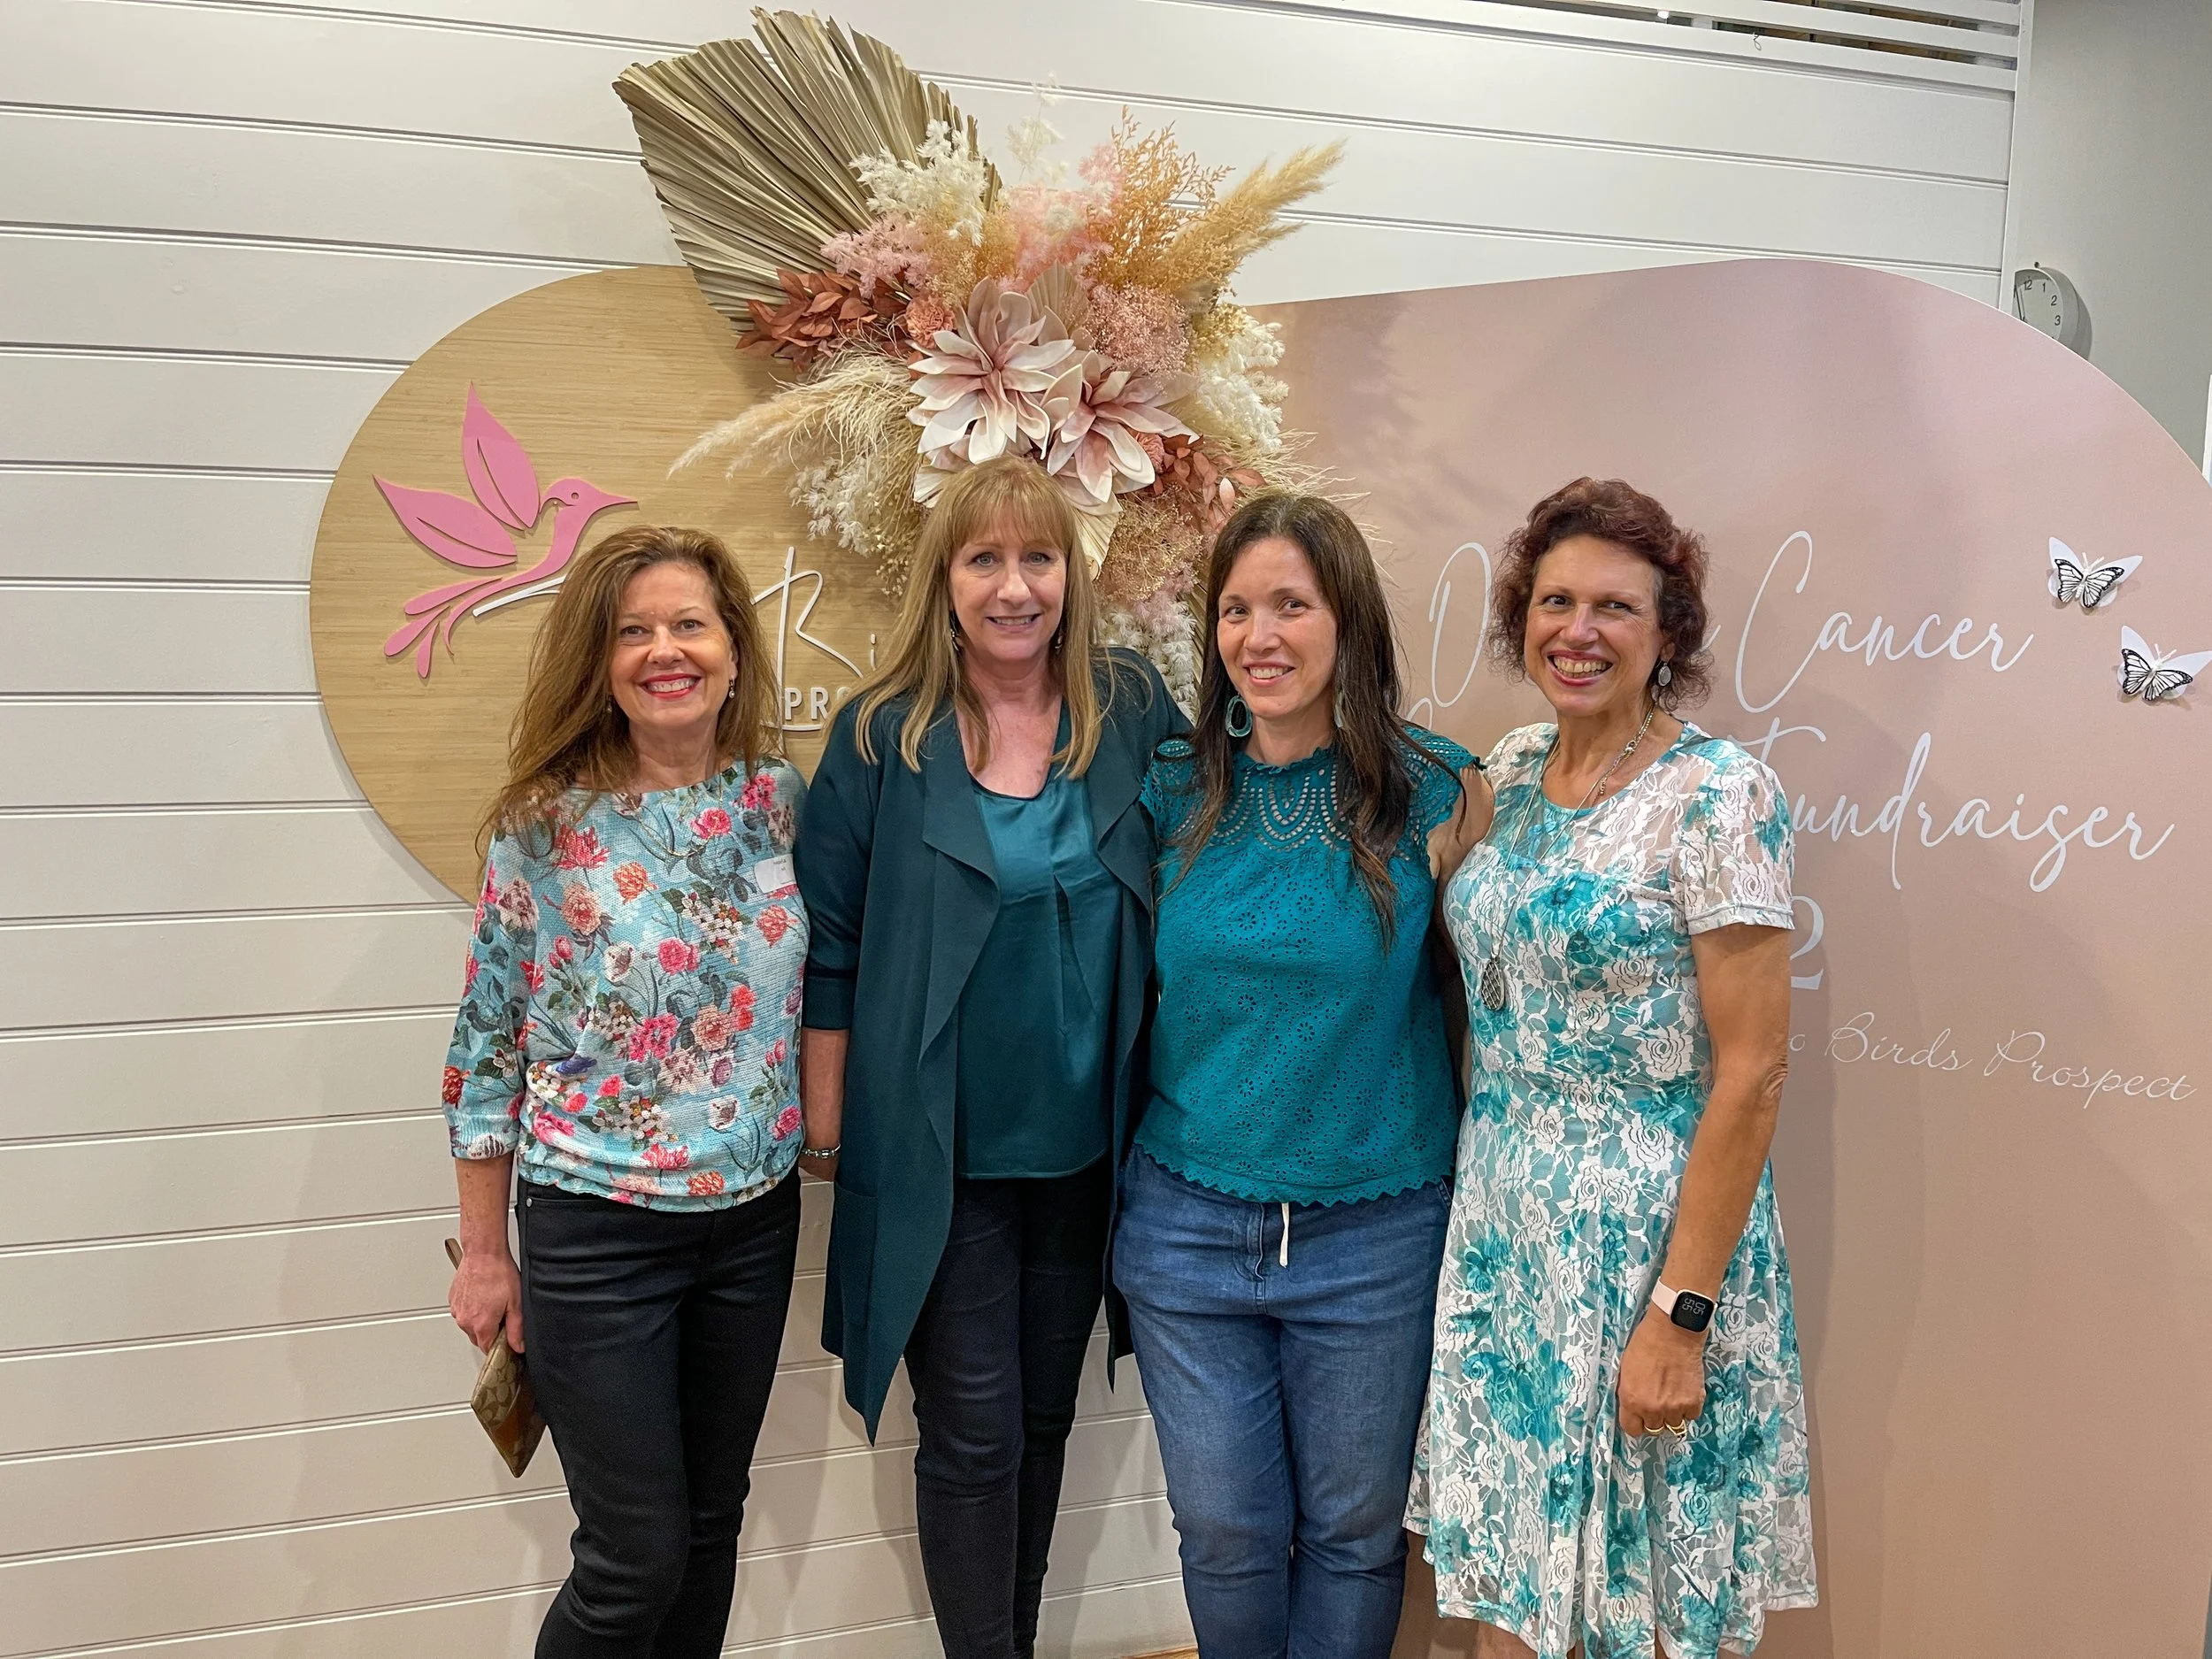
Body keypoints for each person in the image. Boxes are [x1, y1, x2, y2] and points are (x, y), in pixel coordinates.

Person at [1410, 478, 1816, 1658]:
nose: (1577, 630)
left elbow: (1753, 1072)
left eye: (1614, 606)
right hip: (1505, 1231)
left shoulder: (1719, 794)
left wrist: (1678, 1316)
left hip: (1647, 1239)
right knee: (1511, 1589)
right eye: (1554, 599)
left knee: (1639, 1605)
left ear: (1669, 631)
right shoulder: (1515, 767)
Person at [794, 454, 1185, 1659]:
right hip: (943, 1154)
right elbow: (835, 950)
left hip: (1089, 1148)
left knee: (1047, 1417)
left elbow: (1221, 851)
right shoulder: (880, 737)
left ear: (1071, 571)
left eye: (1039, 557)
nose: (1015, 587)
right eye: (985, 559)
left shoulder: (1131, 710)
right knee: (972, 1434)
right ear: (945, 580)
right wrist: (825, 1132)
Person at [1113, 491, 1490, 1659]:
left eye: (1292, 603)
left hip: (1375, 1230)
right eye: (1235, 607)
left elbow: (1497, 993)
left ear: (1348, 623)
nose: (1259, 633)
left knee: (1355, 1531)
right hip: (1186, 1221)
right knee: (1224, 1527)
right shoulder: (1174, 787)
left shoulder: (1438, 790)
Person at [442, 525, 808, 1659]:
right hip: (596, 1230)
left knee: (708, 1528)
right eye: (634, 630)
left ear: (734, 649)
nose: (666, 651)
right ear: (600, 663)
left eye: (689, 624)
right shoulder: (542, 828)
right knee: (632, 1555)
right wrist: (486, 1252)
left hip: (752, 1226)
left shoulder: (779, 802)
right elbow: (484, 1051)